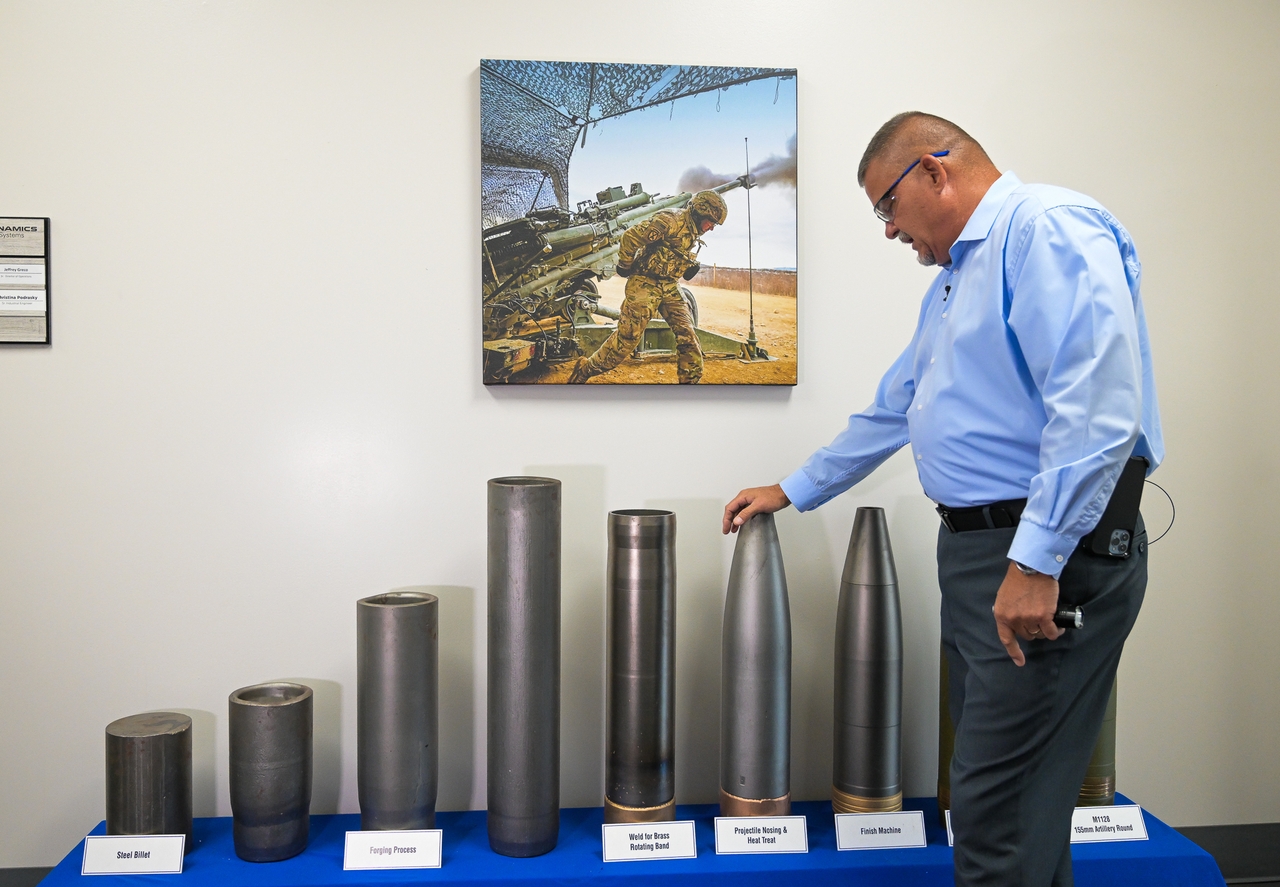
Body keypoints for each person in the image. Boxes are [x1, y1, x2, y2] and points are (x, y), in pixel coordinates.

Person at [722, 112, 1163, 887]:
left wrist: (1035, 558)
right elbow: (898, 405)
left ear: (935, 170)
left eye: (886, 206)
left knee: (993, 818)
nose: (888, 231)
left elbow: (1096, 406)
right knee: (1018, 813)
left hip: (1039, 558)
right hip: (982, 555)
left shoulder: (1046, 231)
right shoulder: (961, 278)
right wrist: (792, 489)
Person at [567, 189, 727, 384]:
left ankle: (690, 386)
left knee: (688, 333)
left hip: (668, 285)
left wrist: (688, 267)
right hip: (644, 281)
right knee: (627, 340)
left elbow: (670, 254)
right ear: (699, 212)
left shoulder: (693, 230)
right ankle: (585, 370)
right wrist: (625, 265)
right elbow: (630, 237)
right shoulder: (669, 220)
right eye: (710, 221)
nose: (711, 228)